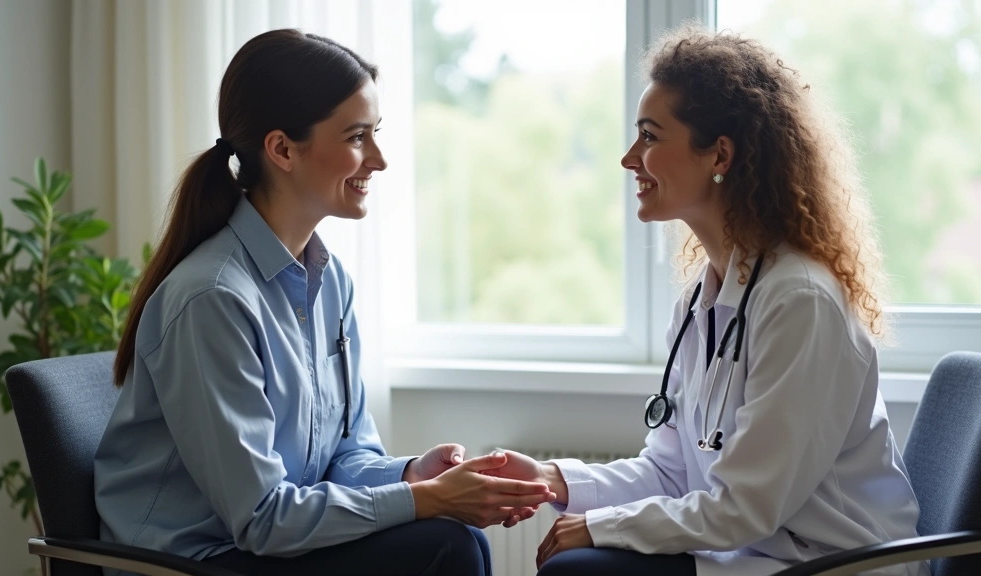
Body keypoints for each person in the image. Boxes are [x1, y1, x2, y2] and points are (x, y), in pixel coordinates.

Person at [94, 29, 554, 576]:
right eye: (358, 137)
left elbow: (344, 457)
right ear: (283, 149)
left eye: (374, 133)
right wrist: (428, 500)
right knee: (444, 544)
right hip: (196, 561)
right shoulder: (211, 299)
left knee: (453, 538)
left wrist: (411, 475)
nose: (378, 160)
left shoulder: (329, 281)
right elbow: (262, 516)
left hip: (264, 544)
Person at [486, 24, 928, 576]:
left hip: (830, 564)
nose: (629, 158)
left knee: (579, 569)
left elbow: (746, 508)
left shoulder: (801, 303)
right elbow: (671, 473)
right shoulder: (707, 297)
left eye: (650, 136)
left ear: (718, 153)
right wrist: (556, 481)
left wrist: (604, 526)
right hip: (755, 552)